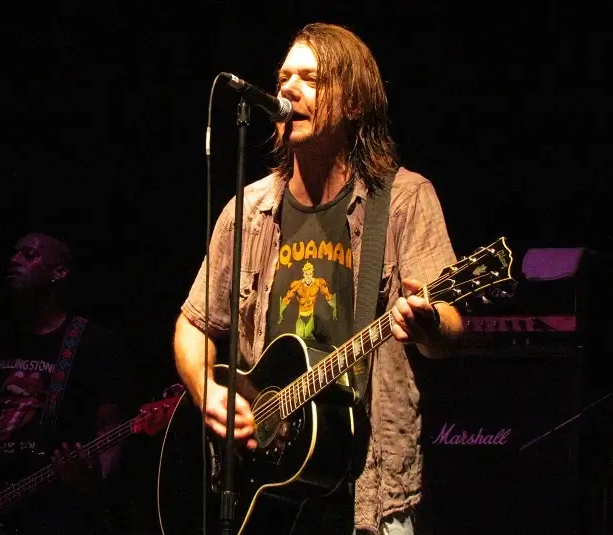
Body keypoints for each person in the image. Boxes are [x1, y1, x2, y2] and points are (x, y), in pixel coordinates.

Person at [173, 22, 464, 535]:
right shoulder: (248, 211)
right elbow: (193, 325)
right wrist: (208, 394)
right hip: (266, 489)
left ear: (353, 103)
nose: (287, 89)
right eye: (284, 77)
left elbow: (450, 333)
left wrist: (428, 323)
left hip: (370, 488)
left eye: (310, 78)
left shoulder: (402, 200)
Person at [0, 232, 134, 534]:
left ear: (58, 274)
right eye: (15, 253)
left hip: (54, 507)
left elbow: (110, 426)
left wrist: (95, 477)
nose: (15, 260)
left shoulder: (92, 342)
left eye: (30, 255)